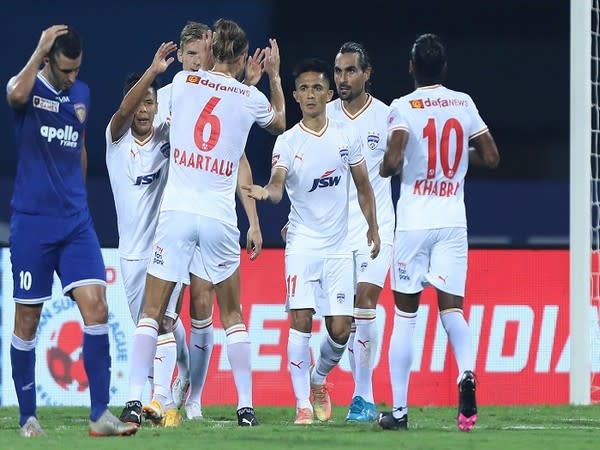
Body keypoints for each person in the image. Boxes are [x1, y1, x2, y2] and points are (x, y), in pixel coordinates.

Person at [122, 18, 285, 427]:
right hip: (218, 218)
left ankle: (132, 401)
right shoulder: (248, 97)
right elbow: (280, 121)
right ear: (245, 57)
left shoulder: (180, 86)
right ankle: (245, 406)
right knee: (231, 315)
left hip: (176, 214)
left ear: (212, 49)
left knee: (151, 312)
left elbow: (143, 106)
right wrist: (274, 78)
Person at [6, 25, 138, 437]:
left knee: (97, 307)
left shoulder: (81, 95)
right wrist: (39, 48)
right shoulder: (27, 87)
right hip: (32, 224)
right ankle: (28, 417)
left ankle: (100, 414)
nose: (73, 78)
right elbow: (13, 95)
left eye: (78, 69)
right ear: (48, 60)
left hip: (76, 223)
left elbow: (79, 146)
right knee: (28, 320)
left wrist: (77, 197)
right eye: (65, 70)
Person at [243, 58, 380, 425]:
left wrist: (373, 227)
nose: (310, 94)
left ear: (328, 94)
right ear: (295, 95)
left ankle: (319, 379)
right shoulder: (287, 142)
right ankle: (303, 403)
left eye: (317, 88)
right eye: (303, 89)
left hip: (338, 248)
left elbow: (365, 187)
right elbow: (277, 181)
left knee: (340, 329)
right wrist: (268, 193)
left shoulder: (344, 137)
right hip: (302, 245)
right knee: (300, 319)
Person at [377, 33, 500, 432]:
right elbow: (492, 157)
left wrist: (391, 164)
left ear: (411, 67)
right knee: (452, 311)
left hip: (414, 222)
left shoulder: (403, 107)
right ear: (444, 68)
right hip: (452, 221)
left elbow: (393, 160)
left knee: (405, 317)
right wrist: (452, 163)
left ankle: (398, 412)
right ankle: (466, 374)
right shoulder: (463, 103)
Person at [153, 21, 266, 421]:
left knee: (201, 307)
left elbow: (239, 160)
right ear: (182, 58)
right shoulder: (173, 94)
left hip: (203, 214)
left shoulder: (207, 92)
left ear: (211, 54)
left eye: (200, 55)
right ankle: (163, 392)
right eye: (188, 57)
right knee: (166, 313)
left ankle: (192, 399)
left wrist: (252, 220)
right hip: (173, 216)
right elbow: (138, 122)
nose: (194, 62)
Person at [106, 42, 189, 427]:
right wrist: (152, 73)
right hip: (130, 253)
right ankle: (181, 375)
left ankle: (155, 400)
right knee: (147, 328)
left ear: (157, 108)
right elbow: (123, 111)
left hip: (167, 245)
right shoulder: (117, 138)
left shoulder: (166, 137)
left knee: (163, 323)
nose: (142, 110)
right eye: (138, 103)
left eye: (149, 103)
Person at [328, 42, 395, 422]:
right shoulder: (324, 117)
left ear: (367, 74)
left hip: (377, 227)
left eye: (351, 71)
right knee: (339, 324)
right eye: (338, 72)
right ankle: (323, 375)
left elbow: (400, 161)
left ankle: (362, 397)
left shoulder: (386, 117)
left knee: (365, 301)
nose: (343, 79)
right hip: (334, 232)